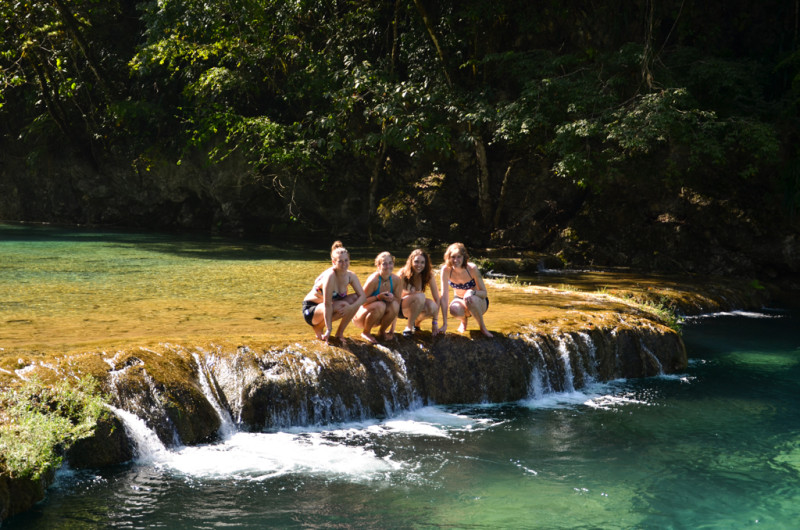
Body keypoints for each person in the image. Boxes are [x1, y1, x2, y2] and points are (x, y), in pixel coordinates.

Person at [302, 241, 365, 342]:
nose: (344, 264)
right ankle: (319, 327)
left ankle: (339, 333)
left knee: (355, 299)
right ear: (333, 262)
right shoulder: (330, 276)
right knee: (343, 305)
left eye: (346, 260)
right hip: (312, 311)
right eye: (340, 261)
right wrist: (329, 329)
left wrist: (351, 307)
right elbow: (327, 304)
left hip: (329, 307)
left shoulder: (350, 276)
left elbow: (363, 297)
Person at [439, 242, 493, 337]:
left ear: (464, 257)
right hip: (459, 299)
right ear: (448, 257)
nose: (456, 260)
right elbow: (444, 298)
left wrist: (472, 292)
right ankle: (463, 321)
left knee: (470, 299)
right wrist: (444, 324)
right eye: (453, 257)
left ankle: (482, 327)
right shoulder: (445, 270)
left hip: (479, 301)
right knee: (454, 309)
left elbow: (484, 293)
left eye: (459, 256)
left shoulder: (472, 268)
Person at [353, 251, 403, 343]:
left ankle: (382, 331)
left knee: (395, 304)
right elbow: (361, 302)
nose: (388, 266)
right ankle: (366, 332)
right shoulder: (374, 280)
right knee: (380, 305)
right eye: (384, 264)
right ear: (378, 266)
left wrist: (392, 330)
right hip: (362, 316)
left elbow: (397, 304)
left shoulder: (396, 280)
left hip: (379, 315)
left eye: (390, 263)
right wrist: (378, 297)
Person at [397, 248, 443, 337]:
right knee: (421, 296)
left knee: (432, 306)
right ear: (411, 262)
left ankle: (416, 323)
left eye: (422, 262)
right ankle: (409, 327)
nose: (419, 265)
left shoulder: (428, 275)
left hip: (416, 307)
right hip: (401, 309)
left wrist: (435, 322)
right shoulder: (402, 274)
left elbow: (437, 298)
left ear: (426, 264)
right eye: (416, 262)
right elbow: (395, 297)